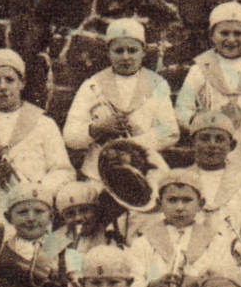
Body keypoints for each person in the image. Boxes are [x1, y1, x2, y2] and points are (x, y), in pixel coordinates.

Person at [0, 48, 75, 246]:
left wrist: (33, 189)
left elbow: (64, 172)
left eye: (9, 80)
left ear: (21, 84)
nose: (3, 87)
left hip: (32, 216)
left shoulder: (44, 123)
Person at [62, 17, 180, 178]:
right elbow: (70, 136)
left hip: (144, 166)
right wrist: (98, 128)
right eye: (118, 51)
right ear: (108, 53)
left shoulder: (157, 84)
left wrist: (130, 144)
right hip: (98, 171)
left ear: (144, 52)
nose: (125, 57)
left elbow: (170, 131)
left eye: (132, 50)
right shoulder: (92, 85)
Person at [127, 169, 230, 287]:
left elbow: (226, 282)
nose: (180, 207)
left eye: (187, 200)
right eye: (172, 200)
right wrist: (152, 286)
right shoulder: (143, 242)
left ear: (200, 204)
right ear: (159, 203)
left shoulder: (216, 241)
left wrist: (198, 282)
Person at [175, 1, 241, 140]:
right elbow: (183, 108)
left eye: (238, 33)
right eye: (224, 33)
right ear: (212, 36)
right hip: (213, 140)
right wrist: (200, 123)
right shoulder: (201, 68)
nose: (231, 40)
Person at [166, 111, 241, 242]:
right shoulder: (177, 180)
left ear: (231, 145)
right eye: (204, 138)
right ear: (192, 142)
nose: (212, 145)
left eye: (219, 139)